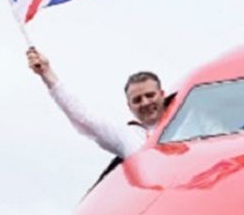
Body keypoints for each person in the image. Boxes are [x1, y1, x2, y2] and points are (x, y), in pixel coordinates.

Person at [27, 47, 163, 159]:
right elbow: (84, 118)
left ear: (162, 94)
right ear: (129, 106)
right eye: (137, 100)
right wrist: (46, 73)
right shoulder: (127, 137)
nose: (145, 103)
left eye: (150, 95)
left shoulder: (183, 121)